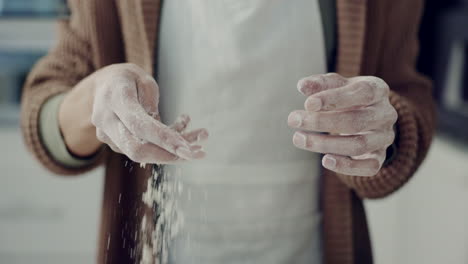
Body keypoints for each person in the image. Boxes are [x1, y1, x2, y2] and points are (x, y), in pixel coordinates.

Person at [20, 0, 435, 263]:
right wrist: (98, 95)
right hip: (167, 246)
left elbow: (408, 96)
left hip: (307, 246)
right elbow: (44, 111)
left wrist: (382, 130)